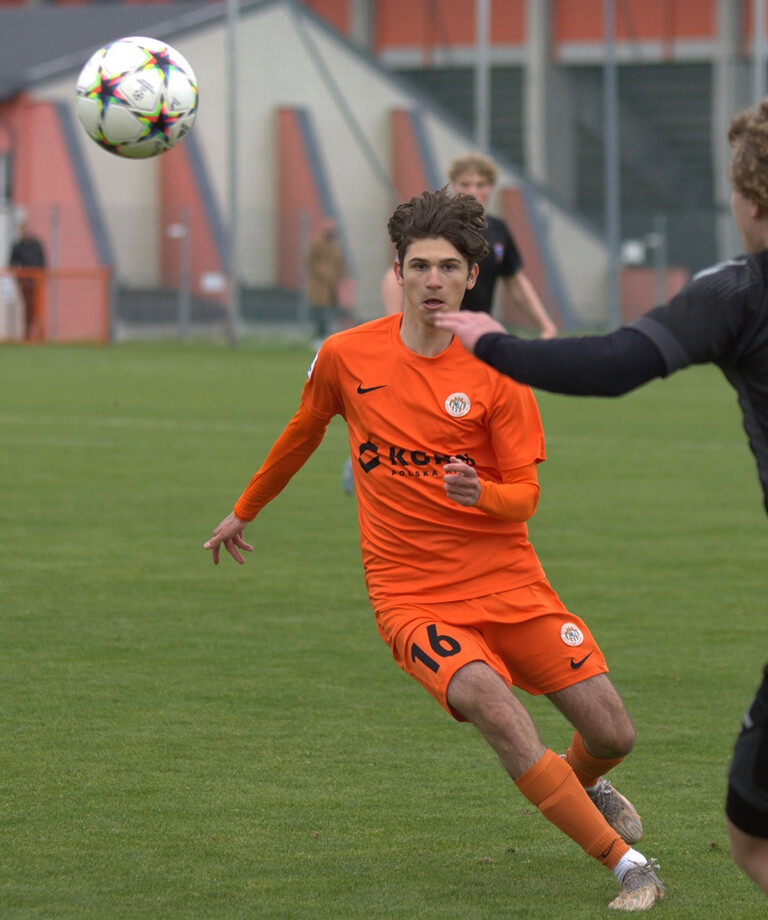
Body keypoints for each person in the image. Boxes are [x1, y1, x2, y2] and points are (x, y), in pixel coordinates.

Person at [204, 188, 665, 911]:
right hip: (412, 596)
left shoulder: (502, 369)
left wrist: (477, 493)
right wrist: (242, 510)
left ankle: (584, 784)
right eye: (418, 266)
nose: (432, 282)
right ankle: (628, 866)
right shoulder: (346, 354)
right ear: (398, 268)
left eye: (448, 267)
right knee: (492, 702)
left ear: (471, 276)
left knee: (612, 730)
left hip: (509, 580)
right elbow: (302, 433)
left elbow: (524, 498)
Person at [434, 98, 768, 900]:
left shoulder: (738, 291)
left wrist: (492, 342)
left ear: (749, 201)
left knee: (753, 835)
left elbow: (616, 364)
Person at [380, 153, 558, 340]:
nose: (473, 190)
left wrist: (546, 325)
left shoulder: (498, 230)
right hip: (436, 334)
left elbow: (516, 282)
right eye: (465, 184)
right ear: (454, 186)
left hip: (476, 335)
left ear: (491, 188)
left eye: (481, 185)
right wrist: (393, 329)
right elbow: (393, 279)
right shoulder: (440, 229)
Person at [306, 216, 347, 348]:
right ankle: (318, 336)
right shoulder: (317, 243)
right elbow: (310, 261)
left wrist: (343, 277)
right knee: (319, 310)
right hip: (320, 284)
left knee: (331, 311)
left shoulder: (336, 245)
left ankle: (327, 337)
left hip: (332, 285)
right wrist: (322, 272)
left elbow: (340, 263)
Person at [9, 220, 46, 339]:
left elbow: (43, 262)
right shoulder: (17, 246)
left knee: (37, 308)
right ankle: (27, 334)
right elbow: (12, 264)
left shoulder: (37, 245)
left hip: (37, 281)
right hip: (24, 282)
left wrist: (42, 277)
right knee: (28, 307)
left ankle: (38, 334)